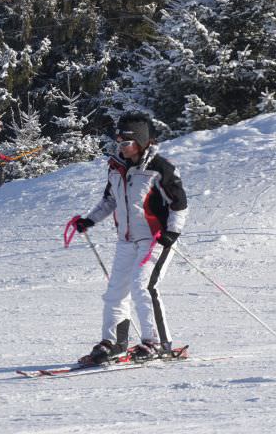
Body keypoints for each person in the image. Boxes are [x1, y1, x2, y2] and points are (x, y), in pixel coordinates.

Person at [75, 113, 188, 365]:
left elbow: (179, 204)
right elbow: (110, 200)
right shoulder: (116, 167)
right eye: (119, 143)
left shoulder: (160, 168)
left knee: (143, 286)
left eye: (126, 143)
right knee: (115, 293)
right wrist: (89, 220)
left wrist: (172, 232)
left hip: (155, 239)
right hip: (127, 240)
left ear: (142, 142)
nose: (122, 148)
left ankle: (157, 343)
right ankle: (114, 343)